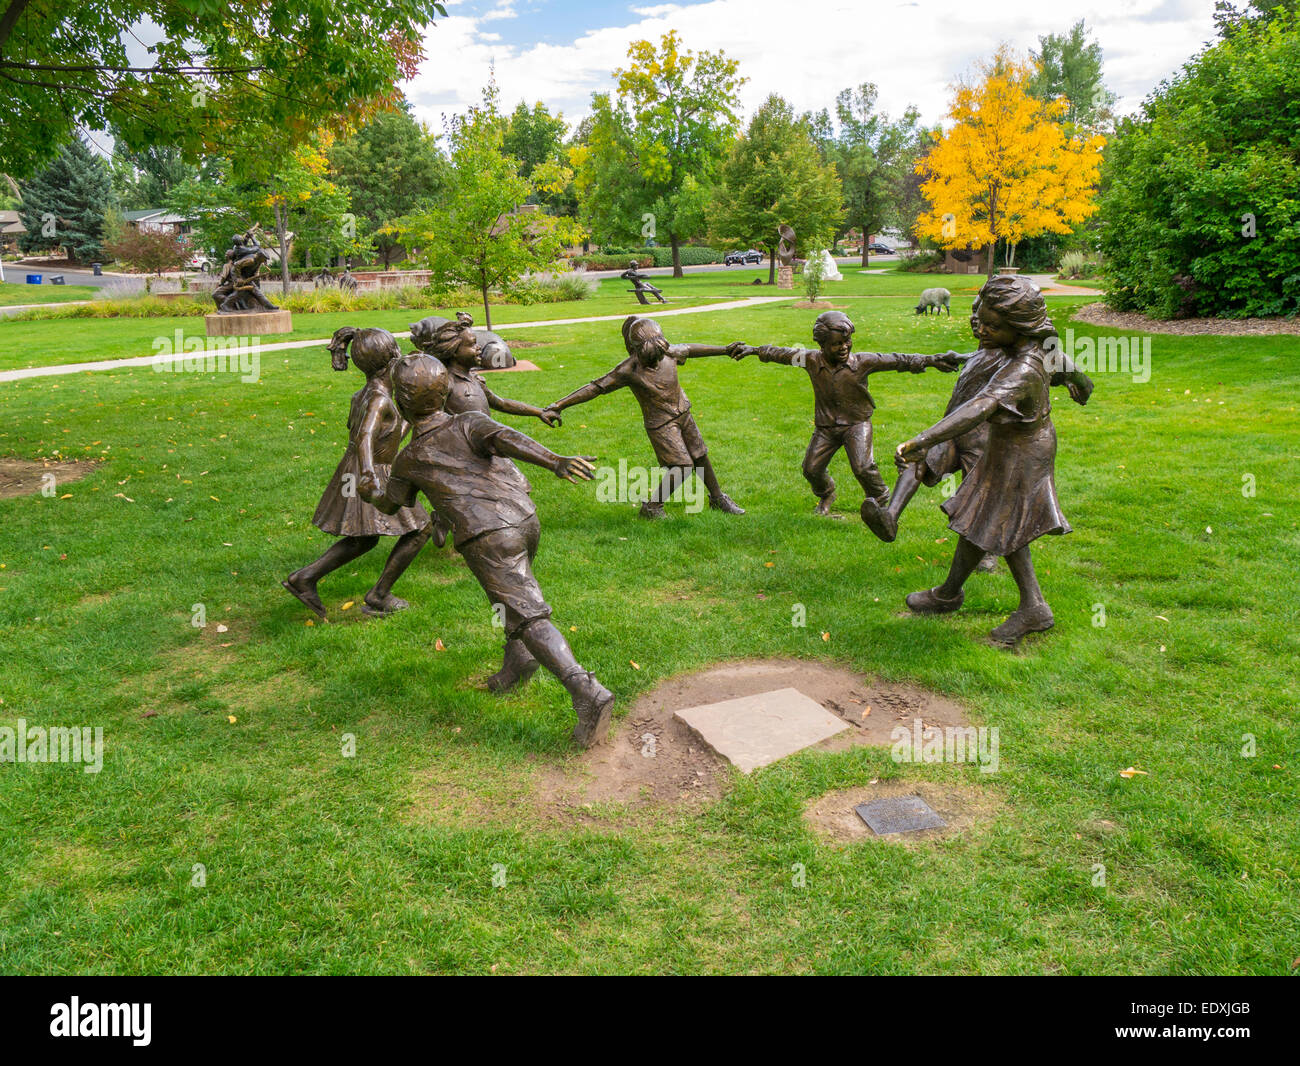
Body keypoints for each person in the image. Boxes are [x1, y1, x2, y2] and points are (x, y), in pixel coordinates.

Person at [360, 353, 615, 748]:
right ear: (445, 391)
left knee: (529, 614)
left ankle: (586, 692)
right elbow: (506, 437)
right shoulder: (467, 422)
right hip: (525, 521)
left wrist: (369, 489)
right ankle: (518, 661)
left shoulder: (408, 459)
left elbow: (390, 504)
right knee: (516, 598)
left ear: (403, 402)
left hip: (489, 535)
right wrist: (555, 461)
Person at [893, 275, 1076, 645]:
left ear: (1020, 327)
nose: (982, 329)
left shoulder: (1022, 367)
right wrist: (1081, 383)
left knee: (997, 518)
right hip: (1010, 444)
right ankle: (949, 594)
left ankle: (1033, 608)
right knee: (982, 516)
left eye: (993, 326)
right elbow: (1067, 366)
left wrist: (923, 440)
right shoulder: (1026, 351)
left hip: (1022, 453)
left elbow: (980, 406)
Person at [862, 295, 1093, 552]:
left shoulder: (1018, 362)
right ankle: (890, 516)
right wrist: (951, 358)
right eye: (976, 316)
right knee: (918, 461)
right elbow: (975, 359)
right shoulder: (984, 351)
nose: (978, 324)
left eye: (987, 321)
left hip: (984, 440)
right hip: (953, 431)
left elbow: (1058, 366)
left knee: (981, 504)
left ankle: (985, 558)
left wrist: (1079, 381)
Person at [731, 311, 958, 516]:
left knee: (863, 467)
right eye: (836, 344)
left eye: (847, 341)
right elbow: (781, 354)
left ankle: (881, 501)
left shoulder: (862, 362)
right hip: (826, 427)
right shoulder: (810, 360)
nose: (844, 347)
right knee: (811, 469)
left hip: (857, 424)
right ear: (821, 345)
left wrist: (932, 360)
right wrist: (754, 350)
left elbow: (898, 359)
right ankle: (827, 494)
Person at [282, 328, 431, 619]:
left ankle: (305, 578)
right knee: (421, 529)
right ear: (393, 358)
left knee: (364, 538)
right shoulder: (379, 400)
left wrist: (410, 421)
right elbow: (364, 436)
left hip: (357, 468)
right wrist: (368, 474)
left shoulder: (363, 394)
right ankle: (379, 595)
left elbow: (383, 437)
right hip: (371, 471)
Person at [544, 316, 746, 519]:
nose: (657, 360)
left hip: (683, 412)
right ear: (637, 350)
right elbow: (595, 387)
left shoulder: (669, 351)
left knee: (700, 454)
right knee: (682, 466)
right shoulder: (628, 370)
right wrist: (559, 405)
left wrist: (725, 350)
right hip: (661, 424)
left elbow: (691, 350)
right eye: (649, 357)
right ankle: (652, 507)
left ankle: (718, 498)